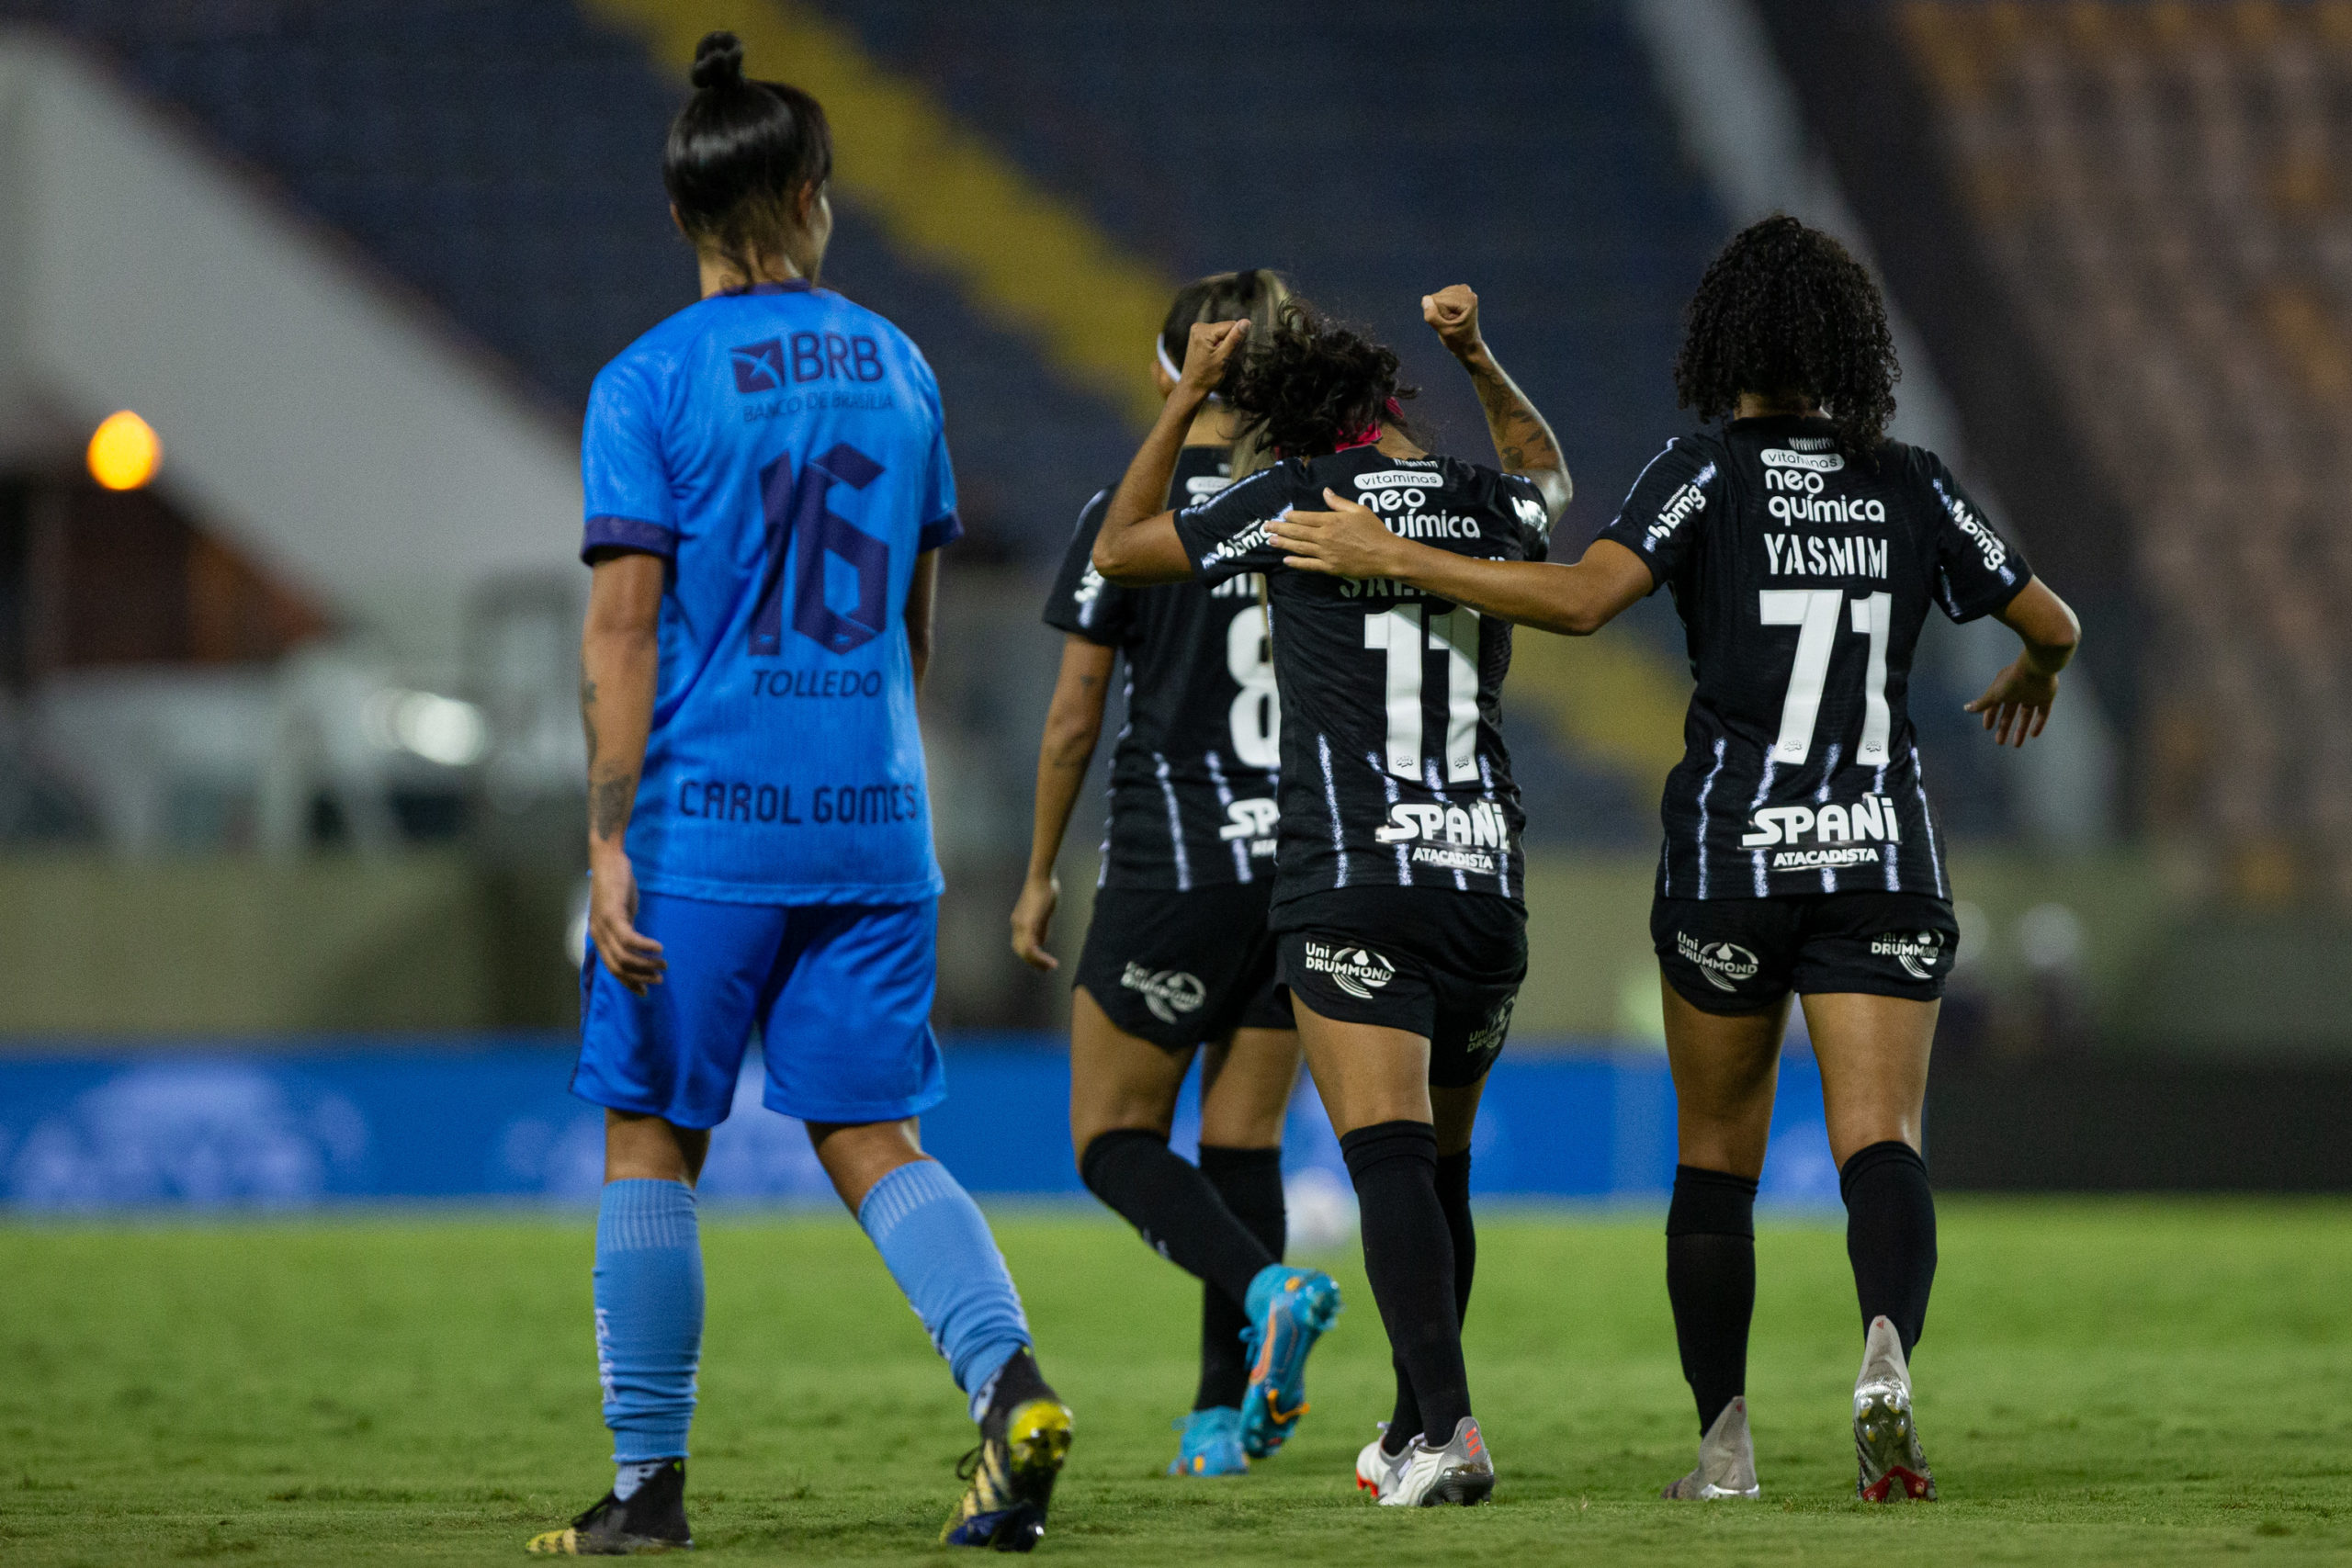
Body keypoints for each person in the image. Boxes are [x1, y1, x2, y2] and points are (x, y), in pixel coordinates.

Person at [1267, 215, 2082, 1505]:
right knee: (1883, 1138)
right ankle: (1884, 1356)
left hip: (1734, 857)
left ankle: (1726, 1449)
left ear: (1725, 347)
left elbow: (1585, 599)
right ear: (1848, 352)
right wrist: (2034, 668)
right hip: (1880, 849)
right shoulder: (1915, 481)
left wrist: (1389, 554)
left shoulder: (1701, 473)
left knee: (1716, 1163)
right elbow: (2053, 620)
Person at [528, 32, 1071, 1555]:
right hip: (875, 811)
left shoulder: (643, 383)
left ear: (690, 214)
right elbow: (913, 610)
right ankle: (1008, 1384)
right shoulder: (901, 362)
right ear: (813, 197)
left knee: (651, 1139)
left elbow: (625, 627)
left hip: (707, 821)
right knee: (875, 1135)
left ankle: (648, 1494)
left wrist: (606, 839)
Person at [1091, 284, 1575, 1508]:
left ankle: (1450, 1431)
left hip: (1352, 880)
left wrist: (1190, 396)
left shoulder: (1292, 500)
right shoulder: (1477, 499)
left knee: (1390, 1164)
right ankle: (1418, 1429)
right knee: (1442, 1171)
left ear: (1288, 430)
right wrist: (1479, 352)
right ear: (1385, 402)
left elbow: (1123, 546)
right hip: (1481, 877)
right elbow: (1550, 474)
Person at [1012, 270, 1344, 1477]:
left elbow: (1072, 718)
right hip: (1302, 864)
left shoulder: (1136, 511)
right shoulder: (1316, 506)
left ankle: (1267, 1289)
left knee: (1110, 1136)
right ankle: (1217, 1422)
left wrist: (1040, 871)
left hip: (1176, 864)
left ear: (1175, 371)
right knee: (1243, 1140)